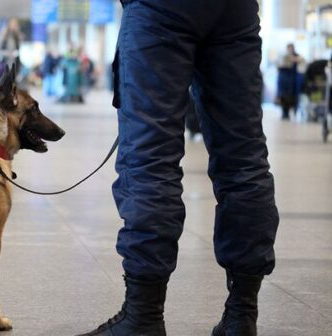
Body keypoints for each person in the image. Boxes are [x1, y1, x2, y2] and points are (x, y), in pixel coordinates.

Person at [78, 1, 280, 336]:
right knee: (244, 156)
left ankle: (143, 315)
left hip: (160, 9)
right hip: (236, 10)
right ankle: (242, 313)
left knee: (150, 157)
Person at [277, 43, 304, 121]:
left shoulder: (297, 56)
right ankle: (284, 113)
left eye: (291, 48)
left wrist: (293, 59)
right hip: (284, 79)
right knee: (283, 96)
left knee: (291, 97)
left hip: (292, 80)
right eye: (288, 48)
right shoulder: (283, 56)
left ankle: (289, 112)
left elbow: (301, 60)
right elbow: (279, 66)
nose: (290, 50)